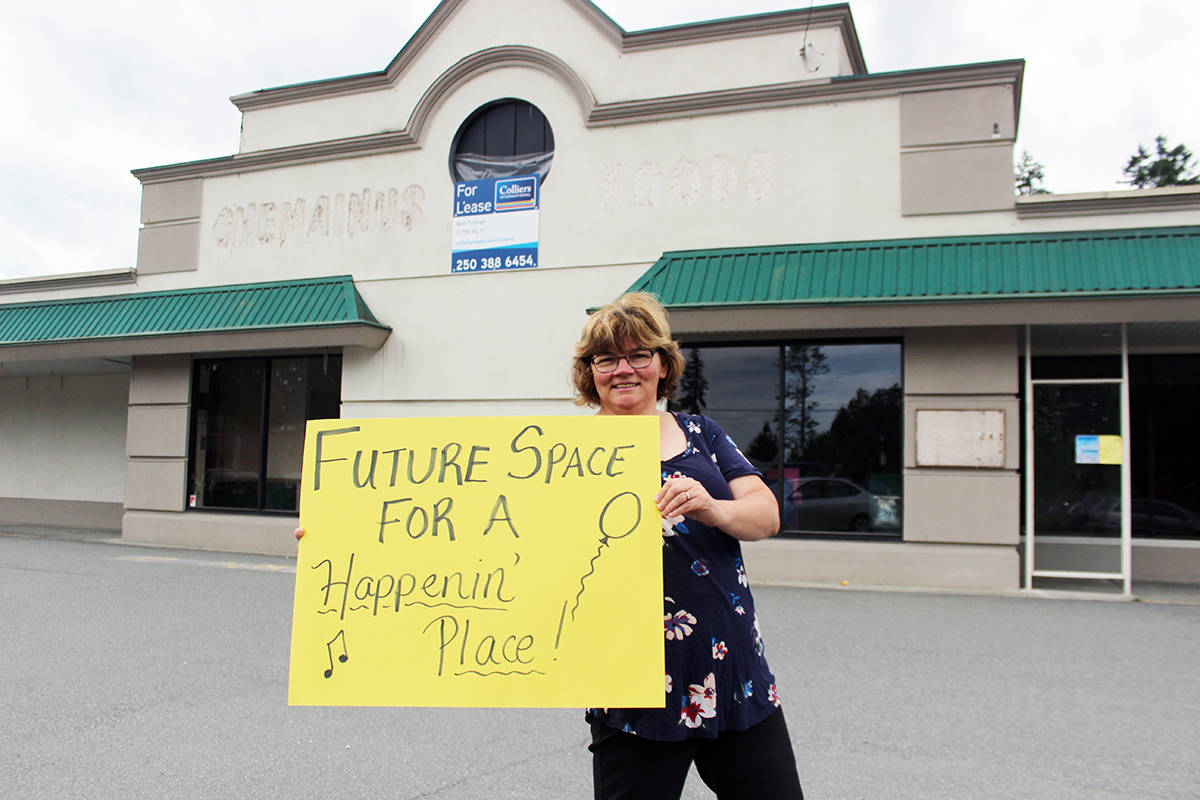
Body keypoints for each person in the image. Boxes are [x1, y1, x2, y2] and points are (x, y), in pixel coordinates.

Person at [573, 292, 803, 800]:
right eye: (606, 359)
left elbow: (766, 516)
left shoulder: (703, 433)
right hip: (632, 681)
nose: (623, 369)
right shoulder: (567, 455)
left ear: (662, 364)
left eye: (639, 354)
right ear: (590, 372)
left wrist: (713, 508)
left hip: (733, 670)